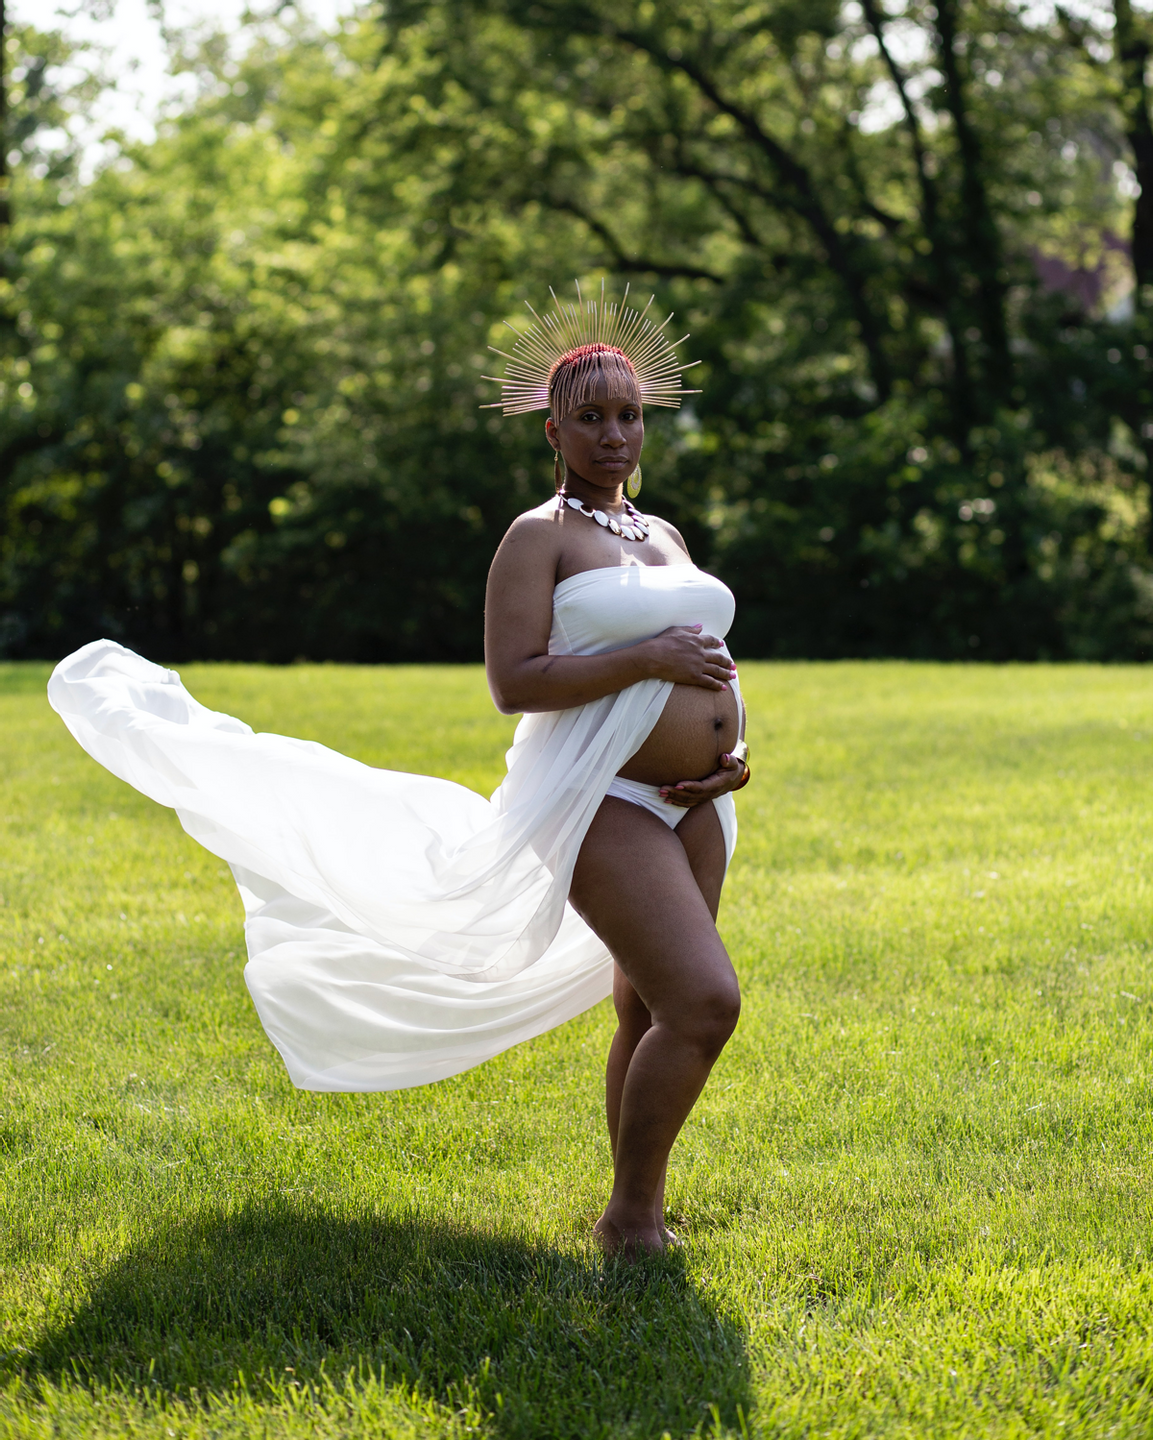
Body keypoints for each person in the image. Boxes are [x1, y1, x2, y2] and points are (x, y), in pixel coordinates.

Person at [46, 282, 750, 1258]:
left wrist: (730, 752)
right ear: (553, 430)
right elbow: (516, 682)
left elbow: (709, 656)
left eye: (628, 415)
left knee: (647, 1004)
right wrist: (647, 661)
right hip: (604, 800)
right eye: (590, 418)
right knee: (705, 1002)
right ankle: (628, 1225)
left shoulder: (663, 533)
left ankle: (638, 1206)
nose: (614, 435)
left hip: (696, 804)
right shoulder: (537, 538)